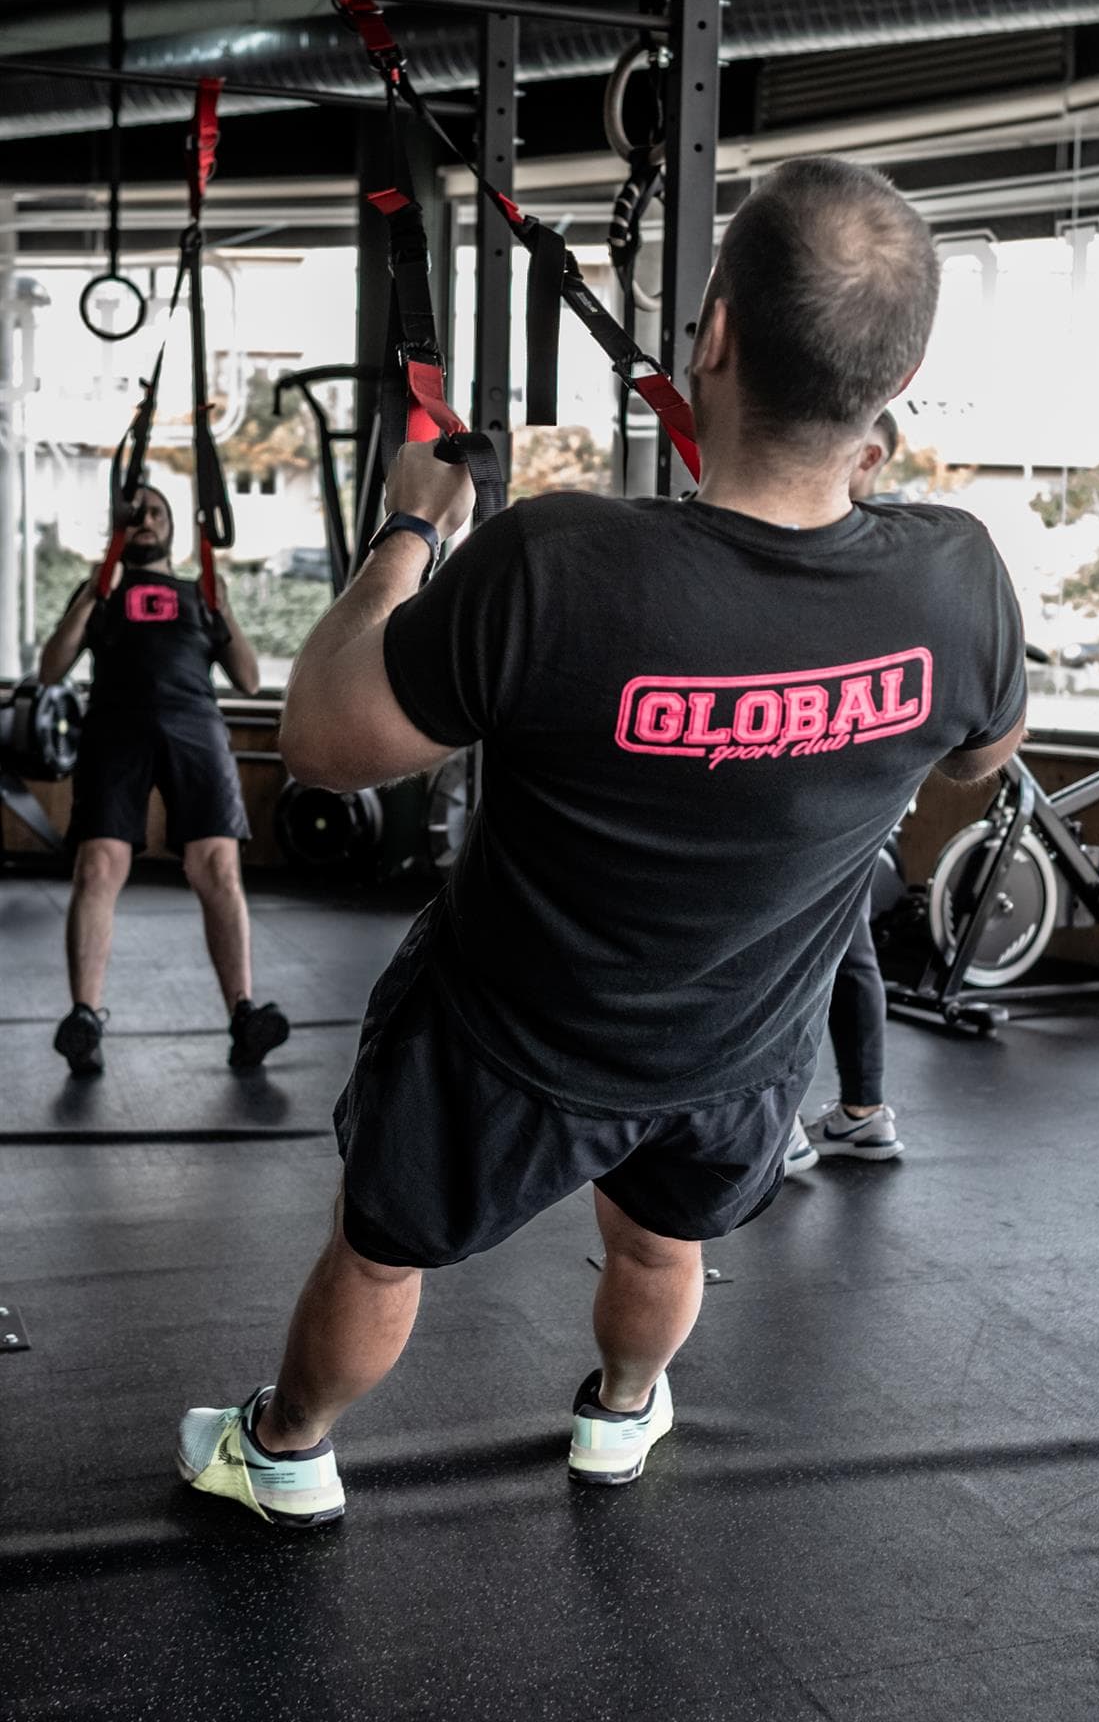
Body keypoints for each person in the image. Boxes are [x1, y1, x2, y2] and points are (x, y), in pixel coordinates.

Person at [175, 157, 1025, 1527]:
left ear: (715, 338)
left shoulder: (555, 564)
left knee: (382, 1256)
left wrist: (407, 527)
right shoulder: (957, 577)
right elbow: (981, 755)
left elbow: (325, 742)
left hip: (506, 1045)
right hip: (735, 1059)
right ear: (891, 380)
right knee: (659, 1238)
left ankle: (285, 1450)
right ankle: (619, 1418)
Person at [38, 484, 289, 1078]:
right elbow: (52, 668)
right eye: (135, 513)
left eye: (156, 511)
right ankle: (84, 1018)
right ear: (119, 528)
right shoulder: (99, 592)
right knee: (98, 867)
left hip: (195, 727)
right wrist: (94, 591)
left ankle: (244, 1017)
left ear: (173, 528)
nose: (146, 519)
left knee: (218, 868)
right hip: (115, 728)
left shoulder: (199, 593)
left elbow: (250, 680)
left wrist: (222, 606)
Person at [784, 407, 906, 1176]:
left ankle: (780, 1127)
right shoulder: (860, 543)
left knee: (795, 951)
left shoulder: (865, 548)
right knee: (844, 946)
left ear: (867, 456)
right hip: (836, 784)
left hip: (832, 784)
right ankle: (862, 1115)